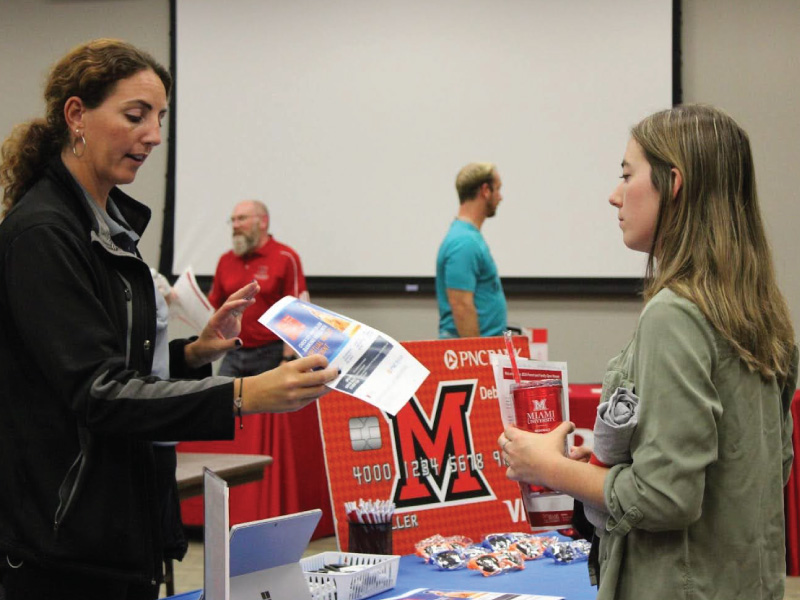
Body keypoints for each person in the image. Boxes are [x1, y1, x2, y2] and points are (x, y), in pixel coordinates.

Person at [0, 39, 338, 600]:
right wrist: (239, 393)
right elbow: (97, 391)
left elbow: (112, 362)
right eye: (136, 116)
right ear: (77, 115)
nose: (154, 135)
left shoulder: (106, 222)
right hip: (63, 545)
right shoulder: (45, 234)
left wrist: (192, 355)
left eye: (159, 118)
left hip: (117, 528)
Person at [498, 105, 798, 600]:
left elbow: (664, 498)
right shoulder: (764, 314)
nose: (614, 195)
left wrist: (547, 468)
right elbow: (754, 471)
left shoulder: (674, 315)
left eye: (626, 175)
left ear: (673, 183)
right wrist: (607, 460)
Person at [209, 199, 308, 376]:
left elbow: (296, 312)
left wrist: (287, 359)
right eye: (233, 220)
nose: (235, 225)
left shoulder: (285, 257)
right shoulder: (226, 260)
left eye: (242, 219)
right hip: (233, 349)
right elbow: (214, 306)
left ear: (262, 222)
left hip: (270, 351)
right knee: (219, 400)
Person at [436, 162, 507, 338]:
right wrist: (476, 357)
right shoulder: (464, 242)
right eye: (497, 189)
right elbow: (461, 306)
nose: (500, 197)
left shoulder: (468, 237)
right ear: (485, 190)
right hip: (471, 357)